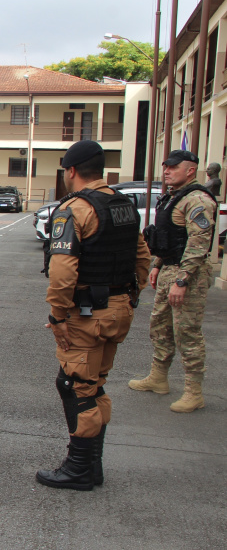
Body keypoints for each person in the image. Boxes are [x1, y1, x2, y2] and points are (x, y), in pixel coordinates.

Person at [36, 140, 150, 491]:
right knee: (94, 385)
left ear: (71, 171)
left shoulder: (75, 209)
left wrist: (58, 316)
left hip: (87, 314)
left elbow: (63, 273)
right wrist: (129, 297)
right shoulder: (123, 205)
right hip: (117, 309)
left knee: (75, 386)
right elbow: (142, 257)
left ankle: (80, 468)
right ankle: (92, 465)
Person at [129, 149, 218, 413]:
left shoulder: (198, 200)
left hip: (188, 274)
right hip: (169, 268)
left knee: (187, 333)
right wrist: (158, 264)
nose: (166, 171)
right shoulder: (171, 198)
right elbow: (169, 237)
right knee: (160, 327)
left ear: (190, 170)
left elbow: (198, 244)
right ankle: (158, 378)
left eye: (173, 167)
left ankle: (194, 391)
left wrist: (182, 280)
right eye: (165, 166)